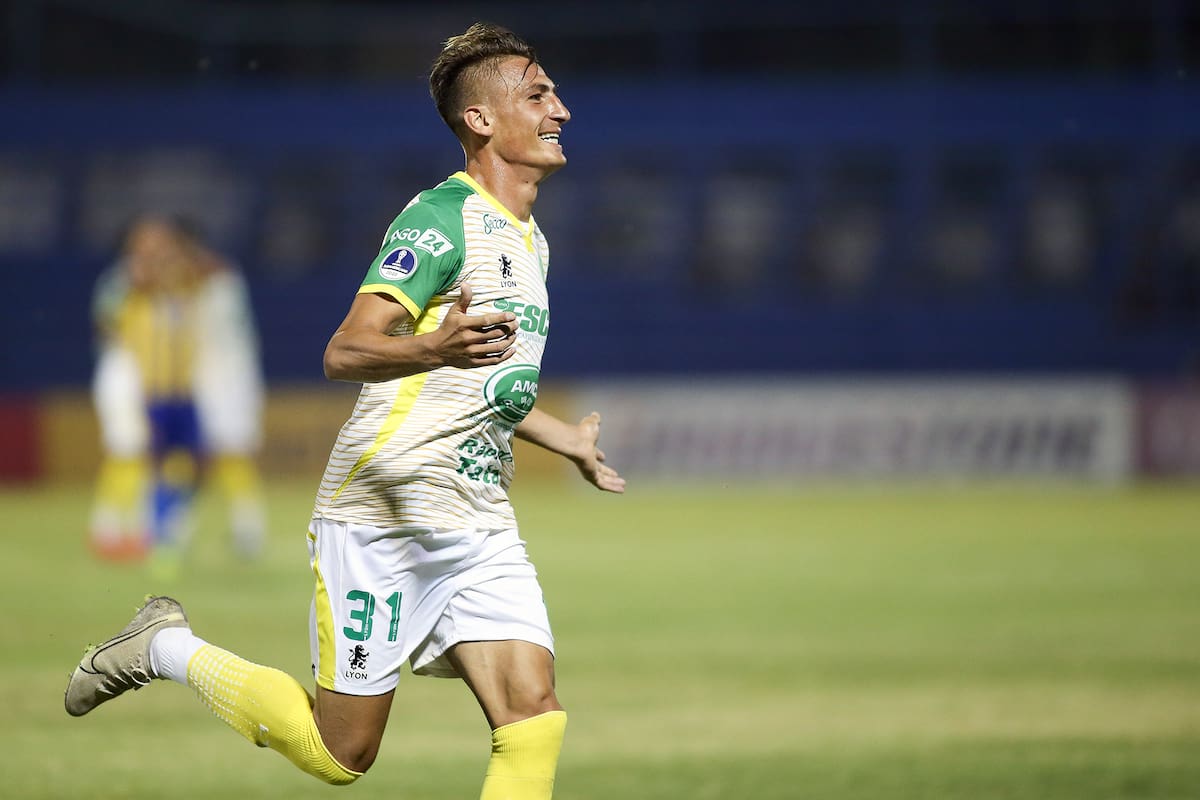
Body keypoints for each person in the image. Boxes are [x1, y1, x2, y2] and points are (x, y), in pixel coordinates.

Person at [65, 22, 624, 800]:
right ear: (482, 120)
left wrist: (562, 436)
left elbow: (480, 379)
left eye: (556, 93)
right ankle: (164, 647)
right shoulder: (439, 219)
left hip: (477, 516)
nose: (560, 109)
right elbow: (347, 350)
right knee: (340, 755)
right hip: (380, 517)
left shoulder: (533, 243)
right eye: (538, 95)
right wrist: (435, 348)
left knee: (533, 715)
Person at [86, 215, 268, 566]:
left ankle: (167, 525)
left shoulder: (201, 275)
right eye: (148, 241)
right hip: (138, 374)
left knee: (198, 453)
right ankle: (115, 529)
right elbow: (109, 323)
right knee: (134, 449)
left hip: (197, 378)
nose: (156, 249)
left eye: (162, 241)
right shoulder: (124, 280)